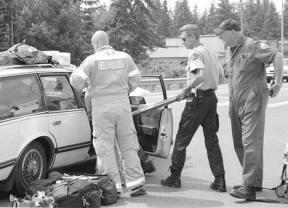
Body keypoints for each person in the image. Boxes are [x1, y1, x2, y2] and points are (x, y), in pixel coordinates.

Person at [213, 19, 283, 200]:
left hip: (253, 98)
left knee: (250, 142)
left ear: (233, 31)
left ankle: (249, 186)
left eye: (222, 34)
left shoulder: (251, 45)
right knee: (238, 143)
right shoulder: (230, 51)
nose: (221, 38)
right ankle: (254, 182)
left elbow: (277, 55)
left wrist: (278, 81)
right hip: (235, 100)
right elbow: (228, 75)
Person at [70, 30, 146, 197]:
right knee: (128, 144)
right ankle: (136, 185)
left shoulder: (91, 60)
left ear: (96, 44)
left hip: (102, 106)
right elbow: (136, 79)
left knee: (105, 148)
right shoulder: (125, 57)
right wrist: (123, 91)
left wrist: (88, 87)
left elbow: (75, 82)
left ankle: (113, 188)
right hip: (122, 104)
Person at [161, 24, 226, 192]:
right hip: (211, 99)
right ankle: (219, 180)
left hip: (197, 100)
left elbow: (201, 75)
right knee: (212, 141)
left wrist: (186, 90)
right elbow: (220, 78)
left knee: (181, 140)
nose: (182, 42)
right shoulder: (211, 53)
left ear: (192, 36)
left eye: (183, 38)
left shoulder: (195, 53)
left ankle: (174, 177)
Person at [84, 87, 156, 173]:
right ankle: (144, 162)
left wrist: (89, 113)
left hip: (103, 114)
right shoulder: (116, 78)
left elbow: (88, 95)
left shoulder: (95, 80)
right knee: (127, 139)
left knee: (106, 143)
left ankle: (107, 170)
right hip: (120, 111)